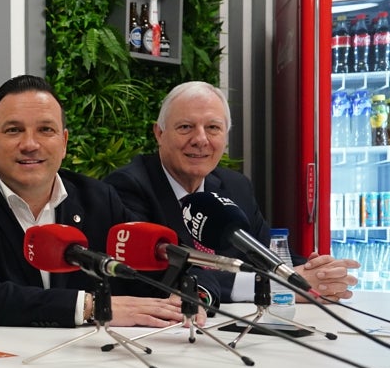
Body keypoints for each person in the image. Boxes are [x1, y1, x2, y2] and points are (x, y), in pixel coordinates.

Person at [0, 74, 193, 328]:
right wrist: (90, 306)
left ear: (63, 142)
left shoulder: (98, 199)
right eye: (14, 130)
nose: (30, 144)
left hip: (87, 362)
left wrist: (190, 294)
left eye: (45, 130)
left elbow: (155, 270)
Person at [104, 81, 359, 303]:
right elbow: (164, 274)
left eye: (213, 128)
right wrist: (281, 286)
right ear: (159, 134)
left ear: (225, 136)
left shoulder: (235, 186)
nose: (201, 139)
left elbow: (265, 252)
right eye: (185, 127)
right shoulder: (129, 186)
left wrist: (319, 272)